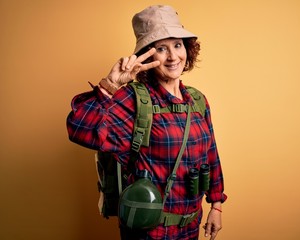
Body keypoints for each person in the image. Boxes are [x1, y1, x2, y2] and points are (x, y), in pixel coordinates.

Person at [66, 5, 227, 240]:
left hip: (192, 228)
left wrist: (216, 205)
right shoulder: (134, 100)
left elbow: (211, 155)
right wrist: (111, 84)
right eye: (161, 48)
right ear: (148, 56)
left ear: (187, 49)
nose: (173, 56)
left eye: (177, 45)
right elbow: (79, 128)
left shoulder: (197, 100)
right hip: (150, 233)